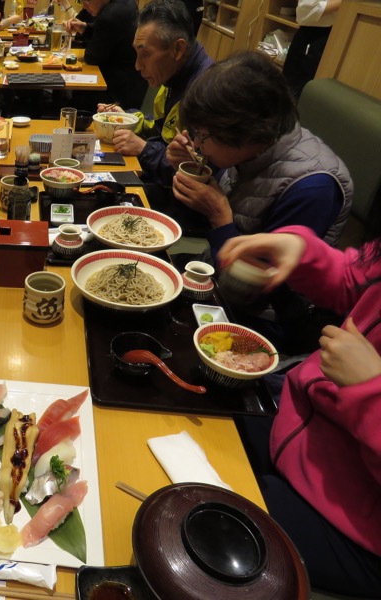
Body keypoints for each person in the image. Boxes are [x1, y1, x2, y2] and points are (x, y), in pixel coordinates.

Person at [220, 228, 381, 596]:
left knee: (197, 521)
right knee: (197, 417)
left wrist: (370, 389)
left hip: (355, 523)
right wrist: (303, 252)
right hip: (303, 426)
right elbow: (355, 277)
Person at [168, 50, 353, 351]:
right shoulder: (251, 149)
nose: (196, 145)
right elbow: (198, 221)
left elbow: (251, 293)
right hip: (216, 273)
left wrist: (219, 218)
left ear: (247, 131)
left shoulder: (313, 187)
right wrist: (185, 168)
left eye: (202, 136)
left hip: (263, 324)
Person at [98, 0, 213, 187]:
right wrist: (129, 120)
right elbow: (162, 130)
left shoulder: (205, 93)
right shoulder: (175, 74)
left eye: (145, 54)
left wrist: (144, 149)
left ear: (178, 49)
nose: (137, 65)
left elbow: (199, 171)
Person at [65, 0, 148, 110]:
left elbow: (91, 57)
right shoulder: (126, 3)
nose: (84, 6)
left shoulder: (108, 16)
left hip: (116, 91)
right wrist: (85, 28)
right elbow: (109, 32)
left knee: (70, 102)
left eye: (87, 1)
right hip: (134, 84)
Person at [283, 0, 341, 100]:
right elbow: (306, 9)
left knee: (312, 90)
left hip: (333, 34)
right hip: (313, 35)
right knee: (295, 88)